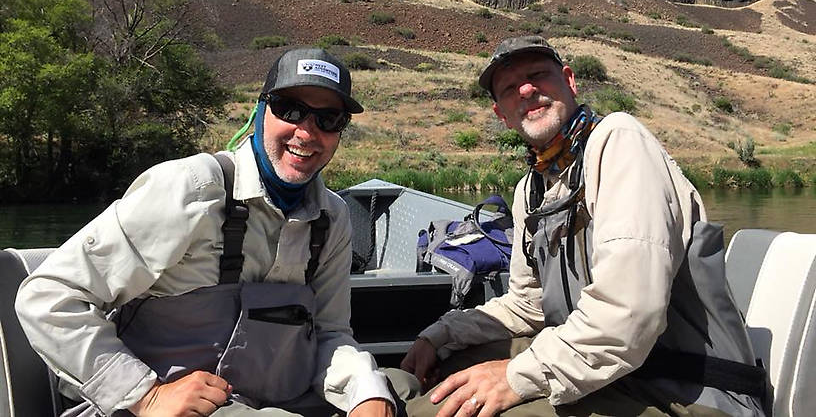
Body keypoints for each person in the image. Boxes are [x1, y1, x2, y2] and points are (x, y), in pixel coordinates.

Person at [16, 47, 413, 417]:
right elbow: (48, 297)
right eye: (290, 109)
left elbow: (329, 333)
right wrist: (146, 394)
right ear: (259, 112)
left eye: (328, 119)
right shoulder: (190, 188)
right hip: (160, 406)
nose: (307, 132)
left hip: (275, 398)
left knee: (401, 389)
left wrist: (366, 392)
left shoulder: (333, 217)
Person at [401, 36, 765, 417]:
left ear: (570, 82)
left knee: (467, 407)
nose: (526, 89)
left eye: (538, 75)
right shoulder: (532, 188)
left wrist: (515, 377)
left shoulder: (618, 141)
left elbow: (629, 316)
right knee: (454, 369)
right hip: (615, 378)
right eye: (510, 88)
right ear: (502, 114)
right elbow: (530, 305)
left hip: (689, 394)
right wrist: (441, 335)